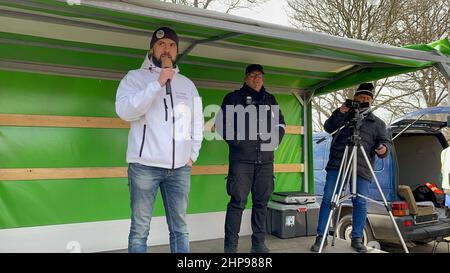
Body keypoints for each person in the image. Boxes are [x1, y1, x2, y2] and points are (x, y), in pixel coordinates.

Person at [115, 27, 204, 253]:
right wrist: (157, 84)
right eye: (162, 44)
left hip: (179, 170)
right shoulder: (134, 78)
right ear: (151, 48)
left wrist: (192, 155)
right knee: (140, 230)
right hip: (145, 167)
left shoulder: (187, 84)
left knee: (180, 229)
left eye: (172, 45)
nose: (167, 49)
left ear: (176, 51)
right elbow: (125, 112)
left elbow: (196, 122)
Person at [310, 83, 391, 253]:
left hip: (361, 167)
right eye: (361, 98)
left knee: (360, 201)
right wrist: (341, 111)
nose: (364, 100)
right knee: (328, 199)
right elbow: (328, 127)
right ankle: (321, 237)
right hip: (338, 164)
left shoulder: (378, 123)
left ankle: (357, 239)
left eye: (367, 99)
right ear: (354, 99)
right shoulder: (344, 115)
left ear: (372, 101)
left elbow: (384, 143)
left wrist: (383, 149)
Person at [216, 64, 286, 253]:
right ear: (246, 77)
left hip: (265, 161)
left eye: (260, 76)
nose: (257, 79)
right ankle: (230, 246)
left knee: (261, 203)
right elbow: (221, 124)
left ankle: (258, 244)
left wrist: (275, 142)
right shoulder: (233, 98)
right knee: (237, 203)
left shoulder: (270, 99)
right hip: (241, 161)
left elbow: (281, 124)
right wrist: (236, 141)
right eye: (253, 75)